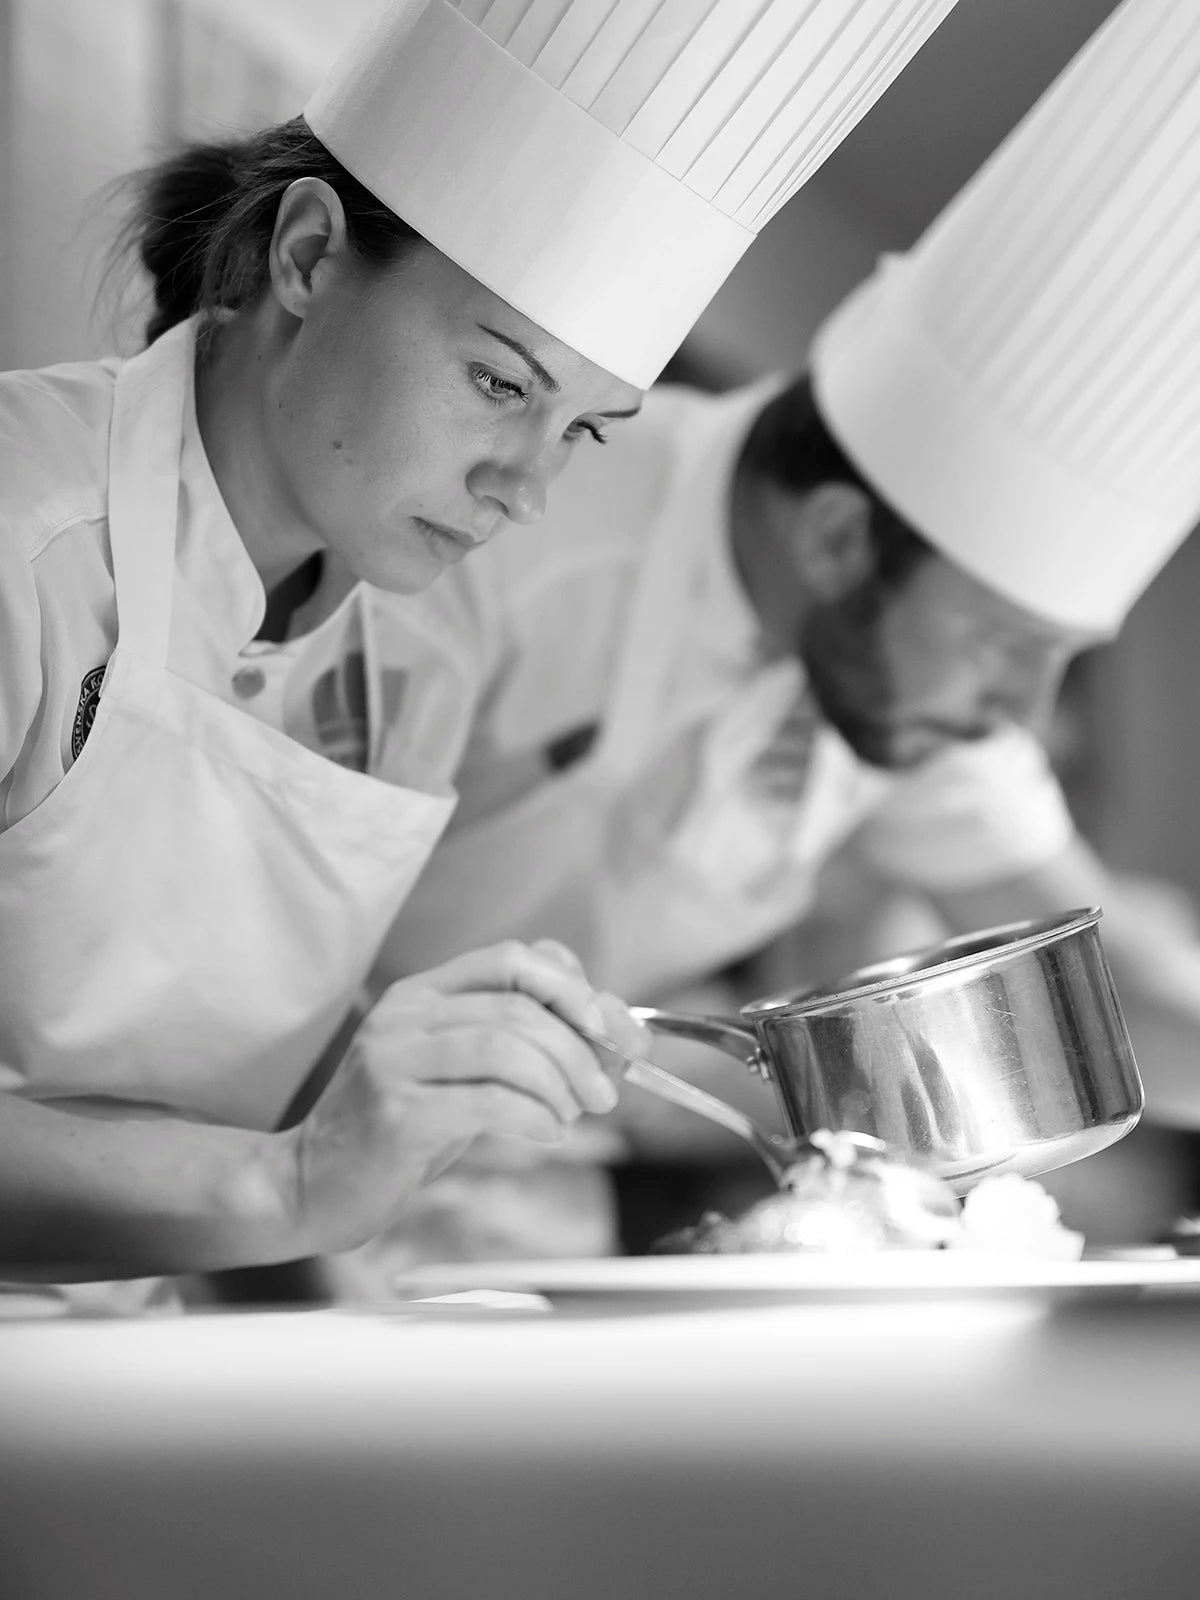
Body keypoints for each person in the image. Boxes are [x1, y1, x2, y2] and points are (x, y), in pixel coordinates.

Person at [0, 0, 960, 1292]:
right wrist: (295, 1182)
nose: (525, 488)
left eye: (582, 431)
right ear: (306, 255)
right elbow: (274, 1170)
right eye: (503, 384)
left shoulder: (410, 659)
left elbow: (252, 1114)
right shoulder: (25, 539)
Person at [326, 0, 1200, 1279]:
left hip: (535, 1244)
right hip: (286, 1212)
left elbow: (1101, 974)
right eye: (1009, 643)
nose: (1019, 710)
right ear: (843, 540)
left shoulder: (900, 672)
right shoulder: (501, 536)